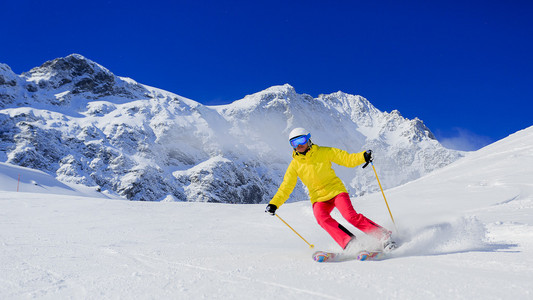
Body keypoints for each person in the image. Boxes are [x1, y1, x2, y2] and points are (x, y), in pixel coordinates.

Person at [265, 127, 397, 252]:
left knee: (350, 216)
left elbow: (346, 159)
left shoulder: (324, 152)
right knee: (321, 218)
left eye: (302, 140)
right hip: (318, 198)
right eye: (294, 143)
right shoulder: (295, 165)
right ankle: (350, 243)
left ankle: (384, 236)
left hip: (336, 191)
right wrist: (274, 203)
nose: (299, 145)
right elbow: (286, 186)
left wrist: (363, 156)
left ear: (308, 140)